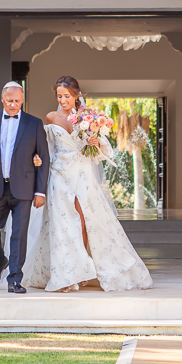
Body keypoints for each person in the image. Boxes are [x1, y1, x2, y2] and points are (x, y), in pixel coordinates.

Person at [22, 76, 153, 292]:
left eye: (66, 96)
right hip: (58, 174)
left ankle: (83, 269)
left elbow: (101, 151)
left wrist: (95, 142)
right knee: (61, 223)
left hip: (82, 173)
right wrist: (37, 159)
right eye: (59, 96)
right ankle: (66, 274)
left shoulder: (88, 117)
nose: (62, 100)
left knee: (85, 220)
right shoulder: (51, 117)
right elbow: (46, 148)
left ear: (76, 95)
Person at [0, 81, 50, 294]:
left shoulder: (34, 124)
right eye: (9, 100)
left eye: (17, 101)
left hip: (24, 188)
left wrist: (40, 191)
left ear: (22, 100)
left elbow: (44, 158)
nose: (13, 104)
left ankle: (15, 279)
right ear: (2, 99)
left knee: (18, 234)